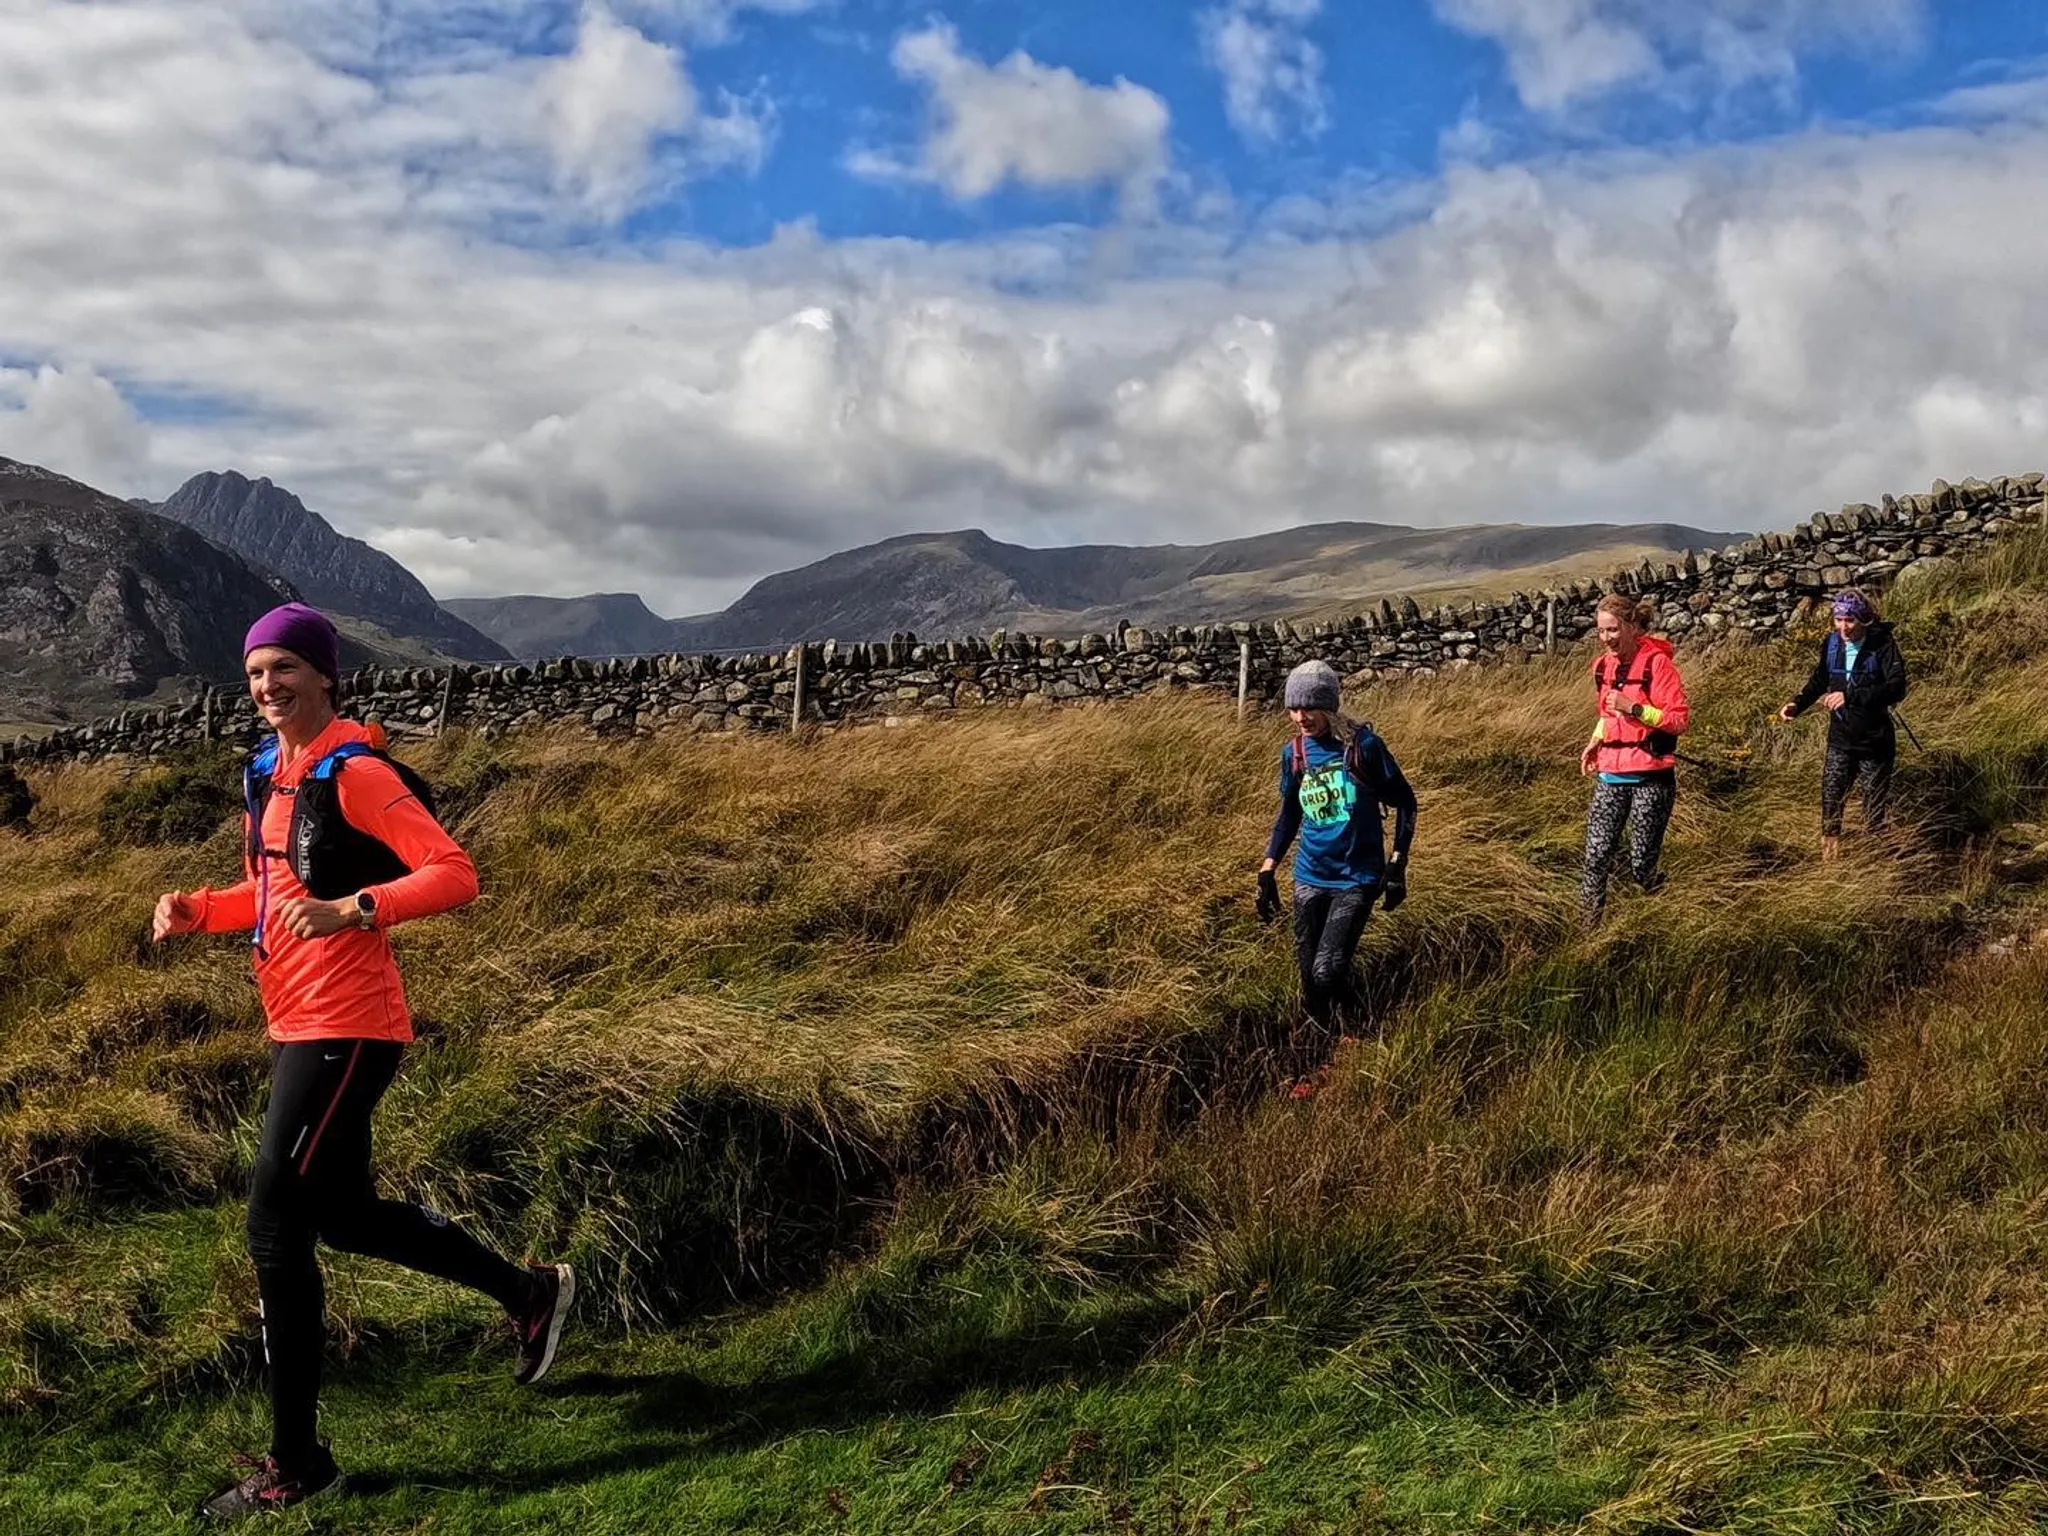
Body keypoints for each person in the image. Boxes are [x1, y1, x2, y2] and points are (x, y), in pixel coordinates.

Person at [151, 603, 573, 1520]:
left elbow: (455, 873)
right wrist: (200, 909)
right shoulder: (271, 772)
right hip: (295, 1020)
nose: (269, 686)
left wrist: (358, 910)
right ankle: (527, 1291)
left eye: (286, 669)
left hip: (348, 1026)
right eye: (257, 671)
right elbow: (272, 897)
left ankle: (296, 1462)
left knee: (274, 1223)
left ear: (326, 674)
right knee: (340, 1214)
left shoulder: (358, 772)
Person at [1256, 659, 1417, 1033]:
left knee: (1327, 971)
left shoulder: (1364, 747)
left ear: (1329, 705)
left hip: (1356, 878)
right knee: (1310, 982)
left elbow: (1406, 802)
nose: (1300, 717)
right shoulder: (1294, 754)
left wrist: (1396, 864)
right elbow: (1288, 817)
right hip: (1309, 875)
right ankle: (1323, 1052)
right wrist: (1268, 870)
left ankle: (1362, 1031)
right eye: (1293, 708)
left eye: (1309, 707)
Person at [1579, 594, 1691, 923]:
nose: (1606, 638)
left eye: (1612, 630)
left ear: (1631, 627)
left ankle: (1661, 904)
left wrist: (1635, 708)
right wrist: (1595, 741)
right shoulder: (1603, 667)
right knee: (1595, 857)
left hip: (1651, 777)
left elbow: (1678, 720)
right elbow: (1607, 713)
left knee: (1641, 866)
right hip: (1610, 774)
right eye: (1601, 631)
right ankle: (1587, 932)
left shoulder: (1658, 663)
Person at [1776, 589, 1908, 861]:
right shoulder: (1832, 643)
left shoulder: (1882, 644)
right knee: (1831, 802)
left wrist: (1851, 696)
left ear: (1864, 619)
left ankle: (1878, 867)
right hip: (1840, 740)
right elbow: (1819, 679)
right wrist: (1797, 704)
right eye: (1838, 620)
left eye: (1850, 620)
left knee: (1873, 815)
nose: (1844, 627)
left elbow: (1897, 688)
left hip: (1875, 742)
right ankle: (1830, 868)